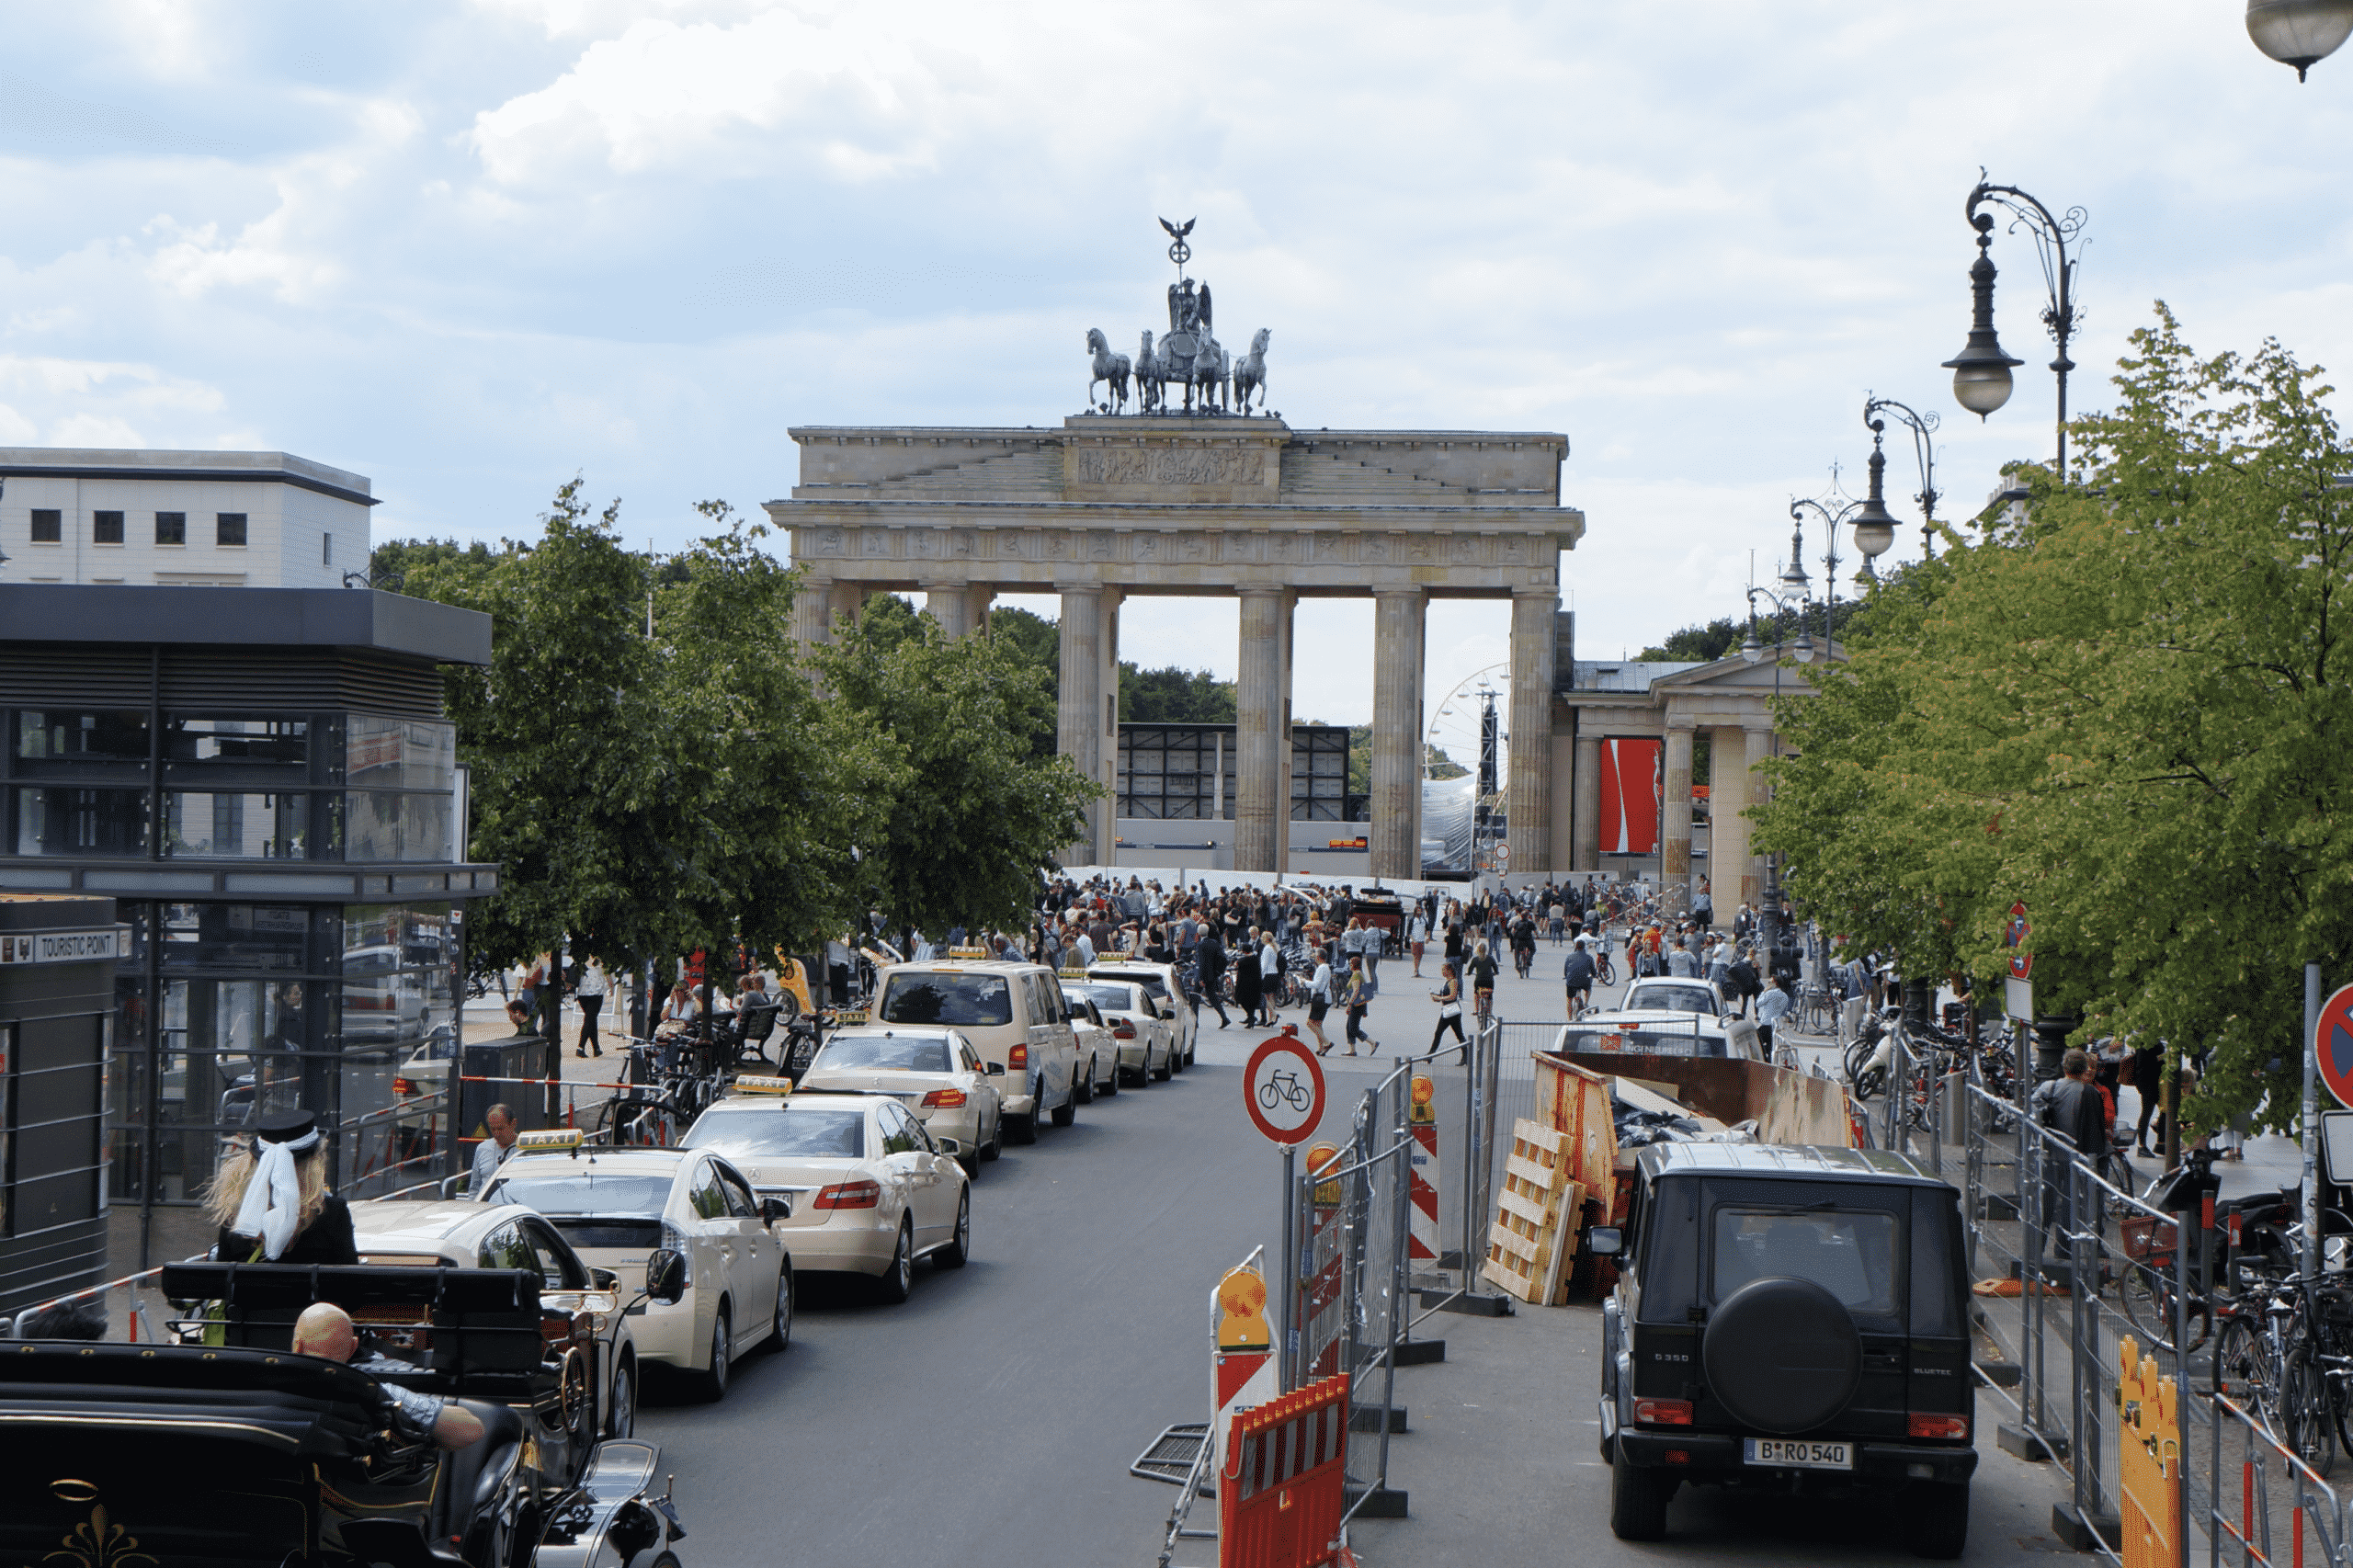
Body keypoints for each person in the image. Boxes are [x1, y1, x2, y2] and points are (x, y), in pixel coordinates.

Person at [292, 1302, 485, 1451]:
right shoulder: (380, 1393)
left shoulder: (264, 1383)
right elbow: (471, 1431)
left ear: (297, 1346)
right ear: (353, 1347)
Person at [207, 1109, 357, 1265]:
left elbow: (222, 1279)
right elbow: (350, 1279)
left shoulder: (237, 1214)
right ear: (314, 1162)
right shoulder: (333, 1212)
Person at [471, 1102, 519, 1195]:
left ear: (513, 1124)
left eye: (500, 1129)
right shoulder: (482, 1148)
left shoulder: (523, 1149)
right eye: (492, 1129)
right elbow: (474, 1187)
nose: (496, 1134)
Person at [1430, 961, 1468, 1061]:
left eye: (1444, 970)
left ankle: (1465, 1056)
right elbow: (1446, 995)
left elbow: (1453, 996)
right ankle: (1430, 1054)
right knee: (1438, 1033)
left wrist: (1440, 998)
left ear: (1450, 970)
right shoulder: (1447, 981)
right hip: (1447, 1011)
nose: (1442, 972)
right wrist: (1437, 996)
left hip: (1452, 1012)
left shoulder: (1453, 982)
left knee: (1458, 1034)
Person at [1340, 954, 1375, 1057]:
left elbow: (1356, 991)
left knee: (1353, 1028)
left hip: (1356, 1005)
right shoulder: (1357, 973)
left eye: (1351, 963)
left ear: (1354, 965)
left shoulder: (1356, 975)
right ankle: (1352, 1050)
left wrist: (1349, 1004)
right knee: (1349, 1027)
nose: (1349, 965)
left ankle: (1372, 1042)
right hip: (1359, 1004)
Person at [1196, 928, 1231, 1028]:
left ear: (1199, 933)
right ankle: (1224, 1018)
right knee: (1213, 997)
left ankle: (1195, 1021)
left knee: (1195, 998)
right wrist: (1218, 971)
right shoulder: (1214, 943)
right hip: (1212, 975)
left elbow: (1202, 963)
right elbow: (1223, 958)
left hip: (1203, 976)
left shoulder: (1201, 945)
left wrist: (1201, 978)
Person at [574, 956, 608, 1059]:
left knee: (591, 1019)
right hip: (596, 994)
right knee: (590, 1019)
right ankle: (580, 1047)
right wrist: (611, 986)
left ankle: (596, 1048)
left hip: (582, 993)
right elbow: (607, 973)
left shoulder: (582, 955)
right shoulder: (601, 958)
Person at [1305, 950, 1335, 1056]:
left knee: (1310, 1023)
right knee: (1318, 1024)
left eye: (1315, 956)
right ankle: (1321, 1047)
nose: (1314, 958)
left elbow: (1317, 984)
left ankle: (1327, 1042)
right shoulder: (1326, 967)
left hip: (1320, 998)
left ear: (1319, 957)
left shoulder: (1321, 968)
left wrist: (1305, 982)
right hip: (1326, 998)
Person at [1233, 936, 1265, 1028]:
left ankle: (1251, 1018)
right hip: (1256, 984)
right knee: (1252, 1002)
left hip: (1245, 985)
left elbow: (1237, 964)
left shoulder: (1243, 961)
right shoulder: (1256, 959)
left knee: (1242, 1000)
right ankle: (1250, 1017)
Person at [1755, 971, 1790, 1051]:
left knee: (1758, 1046)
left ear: (1775, 983)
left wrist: (1763, 992)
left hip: (1765, 1023)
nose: (1768, 984)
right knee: (1771, 1048)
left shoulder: (1770, 993)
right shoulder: (1785, 996)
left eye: (1770, 982)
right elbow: (1783, 1012)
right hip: (1775, 1024)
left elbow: (1758, 1003)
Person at [1563, 938, 1597, 1013]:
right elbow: (1594, 972)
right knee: (1588, 989)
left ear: (1576, 947)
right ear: (1584, 947)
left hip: (1571, 982)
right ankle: (1586, 1003)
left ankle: (1569, 1020)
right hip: (1584, 982)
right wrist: (1593, 976)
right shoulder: (1589, 957)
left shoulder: (1569, 957)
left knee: (1569, 1000)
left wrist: (1566, 976)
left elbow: (1565, 971)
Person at [1468, 940, 1498, 1021]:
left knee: (1476, 993)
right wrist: (1495, 973)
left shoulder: (1475, 959)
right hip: (1489, 980)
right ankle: (1490, 1012)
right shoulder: (1490, 958)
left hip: (1479, 980)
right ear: (1486, 950)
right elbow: (1496, 968)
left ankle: (1476, 1010)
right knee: (1490, 996)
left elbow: (1470, 969)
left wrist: (1468, 973)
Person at [1407, 908, 1428, 978]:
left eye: (1421, 910)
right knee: (1415, 956)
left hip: (1421, 941)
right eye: (1418, 910)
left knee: (1420, 956)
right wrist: (1413, 940)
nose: (1420, 912)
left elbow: (1428, 929)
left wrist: (1428, 937)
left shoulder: (1424, 920)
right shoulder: (1412, 920)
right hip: (1414, 941)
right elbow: (1409, 932)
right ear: (1415, 911)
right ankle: (1416, 971)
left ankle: (1417, 970)